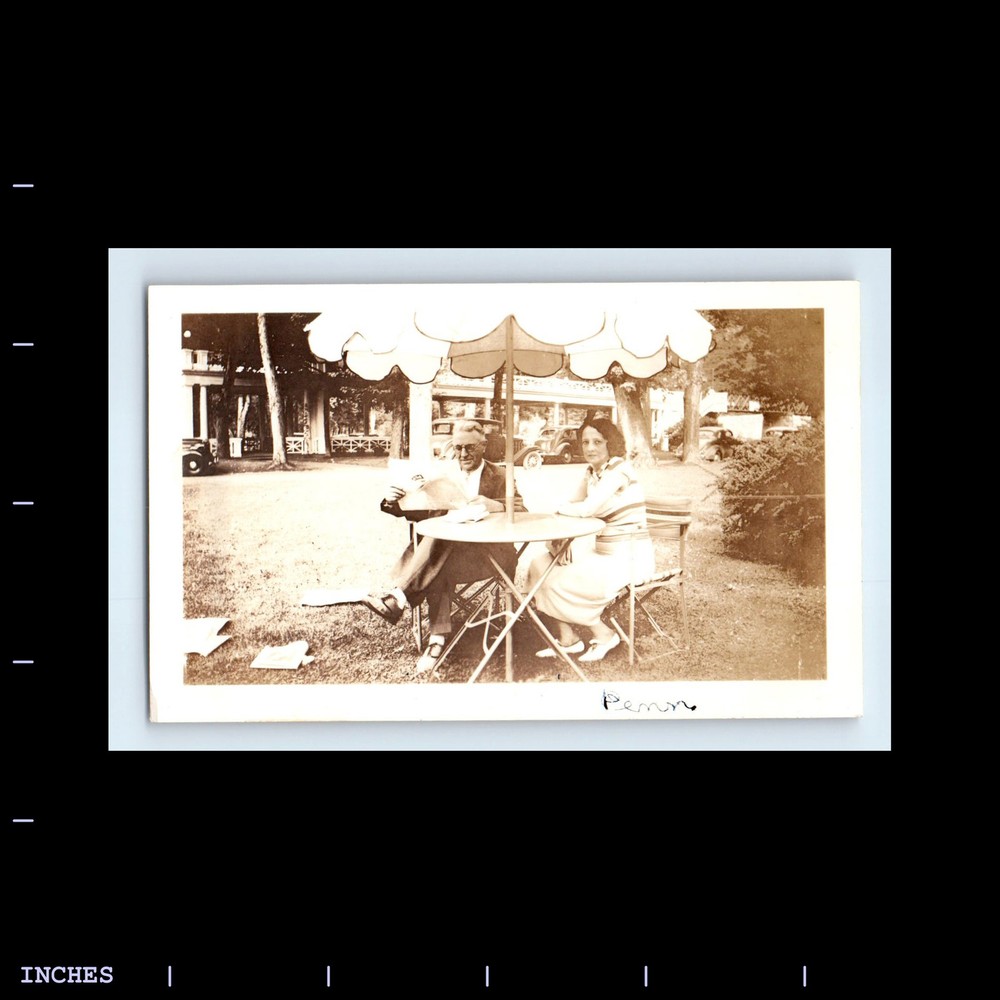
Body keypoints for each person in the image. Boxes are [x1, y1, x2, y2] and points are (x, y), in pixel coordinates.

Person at [365, 420, 524, 672]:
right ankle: (436, 639)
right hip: (447, 557)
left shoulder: (501, 475)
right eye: (458, 448)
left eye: (470, 447)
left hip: (488, 557)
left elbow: (522, 511)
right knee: (442, 547)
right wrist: (392, 500)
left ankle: (401, 599)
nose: (463, 454)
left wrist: (495, 505)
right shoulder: (442, 476)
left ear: (483, 446)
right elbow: (418, 510)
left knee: (438, 552)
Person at [527, 418, 655, 663]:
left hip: (629, 555)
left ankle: (604, 635)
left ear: (610, 443)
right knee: (539, 566)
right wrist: (564, 520)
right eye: (585, 442)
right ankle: (568, 639)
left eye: (597, 442)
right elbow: (571, 503)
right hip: (602, 551)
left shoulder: (619, 471)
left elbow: (587, 509)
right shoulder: (592, 472)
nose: (590, 447)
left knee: (560, 580)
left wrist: (563, 509)